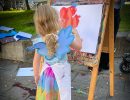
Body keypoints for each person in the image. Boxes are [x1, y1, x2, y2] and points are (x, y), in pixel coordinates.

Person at [30, 4, 82, 100]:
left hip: (47, 75)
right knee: (61, 95)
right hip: (60, 76)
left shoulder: (39, 41)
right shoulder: (63, 37)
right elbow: (79, 47)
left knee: (49, 97)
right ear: (55, 21)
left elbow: (36, 61)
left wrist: (36, 75)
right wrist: (77, 35)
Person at [98, 0, 127, 74]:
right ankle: (97, 64)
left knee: (110, 39)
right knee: (99, 38)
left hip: (114, 10)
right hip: (101, 8)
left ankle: (105, 63)